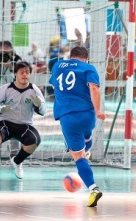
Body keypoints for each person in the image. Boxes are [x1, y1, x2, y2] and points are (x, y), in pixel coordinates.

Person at [48, 46, 106, 207]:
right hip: (87, 115)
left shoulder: (58, 66)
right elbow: (94, 88)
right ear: (86, 58)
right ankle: (85, 148)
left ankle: (93, 189)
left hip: (67, 116)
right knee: (86, 140)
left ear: (71, 56)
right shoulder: (88, 67)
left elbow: (55, 86)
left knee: (78, 156)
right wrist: (98, 110)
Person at [0, 61, 46, 181]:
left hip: (24, 125)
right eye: (22, 72)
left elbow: (43, 110)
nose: (25, 75)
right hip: (6, 122)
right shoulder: (6, 89)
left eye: (27, 72)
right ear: (15, 74)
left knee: (35, 140)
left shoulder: (34, 90)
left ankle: (17, 161)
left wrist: (39, 105)